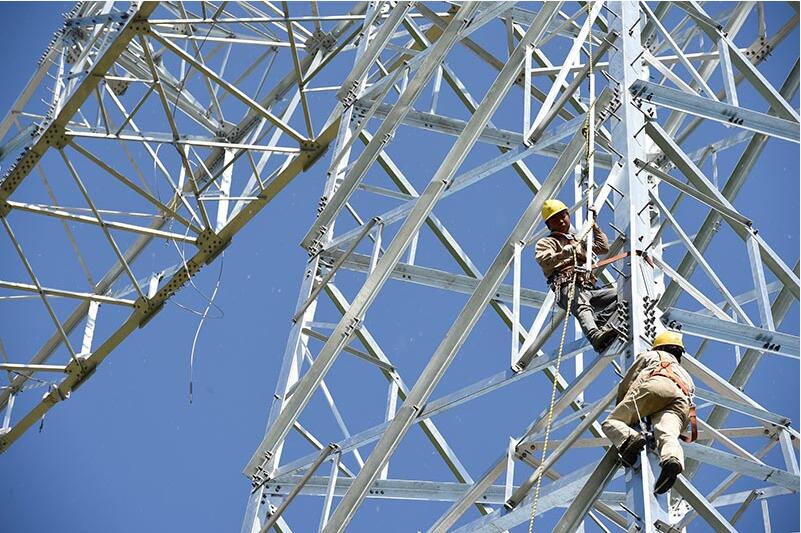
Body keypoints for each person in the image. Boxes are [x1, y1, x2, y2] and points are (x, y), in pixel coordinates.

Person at [601, 331, 696, 494]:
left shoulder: (652, 355)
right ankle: (671, 460)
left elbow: (628, 383)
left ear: (660, 346)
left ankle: (630, 439)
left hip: (658, 386)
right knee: (667, 434)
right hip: (682, 402)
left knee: (612, 422)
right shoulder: (686, 375)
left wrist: (624, 409)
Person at [534, 199, 618, 352]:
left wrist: (593, 225)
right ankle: (595, 336)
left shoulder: (577, 241)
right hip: (568, 285)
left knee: (621, 294)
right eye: (555, 220)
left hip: (588, 287)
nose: (561, 221)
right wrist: (562, 254)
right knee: (582, 306)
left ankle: (600, 322)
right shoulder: (547, 242)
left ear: (568, 215)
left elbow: (603, 247)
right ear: (549, 226)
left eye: (563, 216)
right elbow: (544, 261)